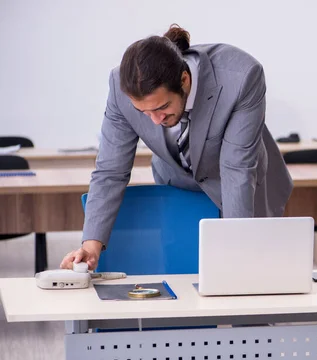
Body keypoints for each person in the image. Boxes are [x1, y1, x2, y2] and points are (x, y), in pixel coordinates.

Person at [60, 24, 293, 270]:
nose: (155, 120)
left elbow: (236, 169)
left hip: (244, 186)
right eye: (144, 112)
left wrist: (236, 248)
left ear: (184, 80)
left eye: (162, 108)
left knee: (249, 273)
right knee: (180, 273)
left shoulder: (241, 76)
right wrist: (90, 247)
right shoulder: (121, 89)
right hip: (178, 185)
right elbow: (110, 171)